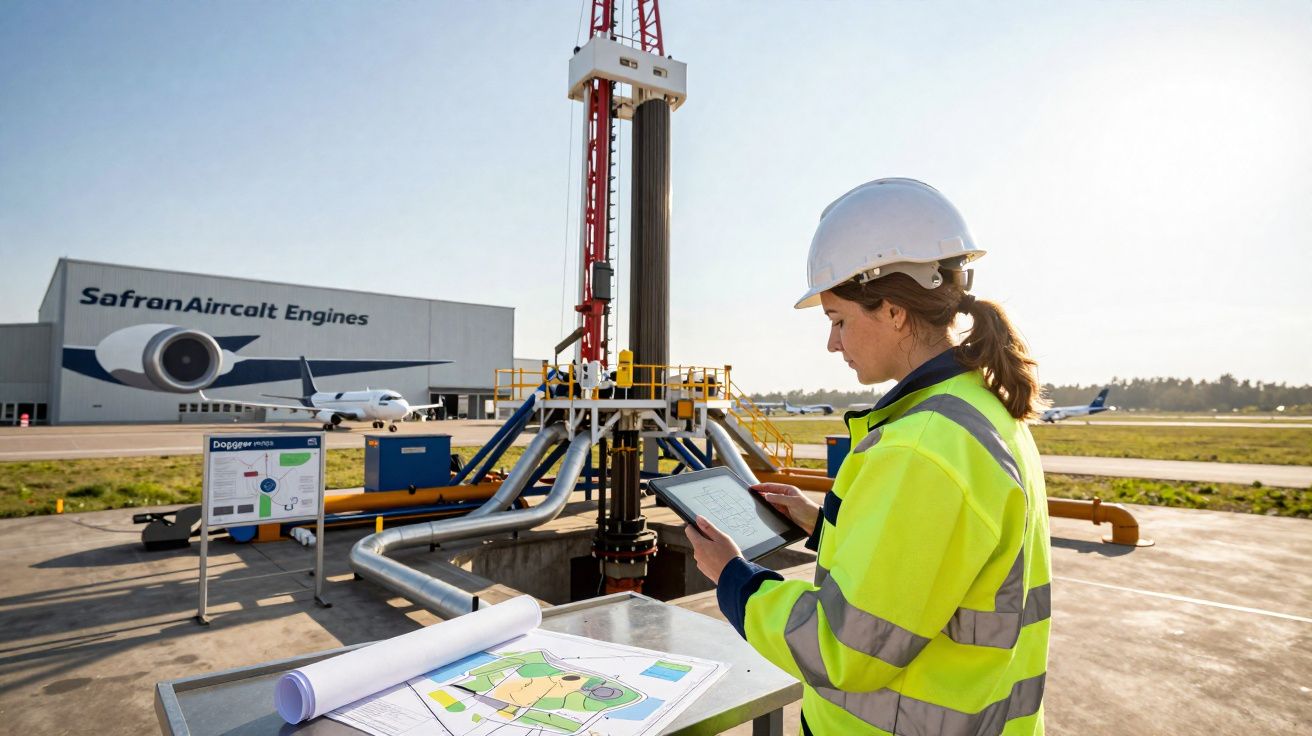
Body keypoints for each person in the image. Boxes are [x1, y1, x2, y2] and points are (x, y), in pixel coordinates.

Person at [685, 178, 1051, 735]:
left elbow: (844, 648)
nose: (833, 344)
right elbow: (932, 566)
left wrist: (735, 578)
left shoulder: (921, 449)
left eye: (838, 321)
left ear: (895, 311)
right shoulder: (980, 408)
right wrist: (825, 524)